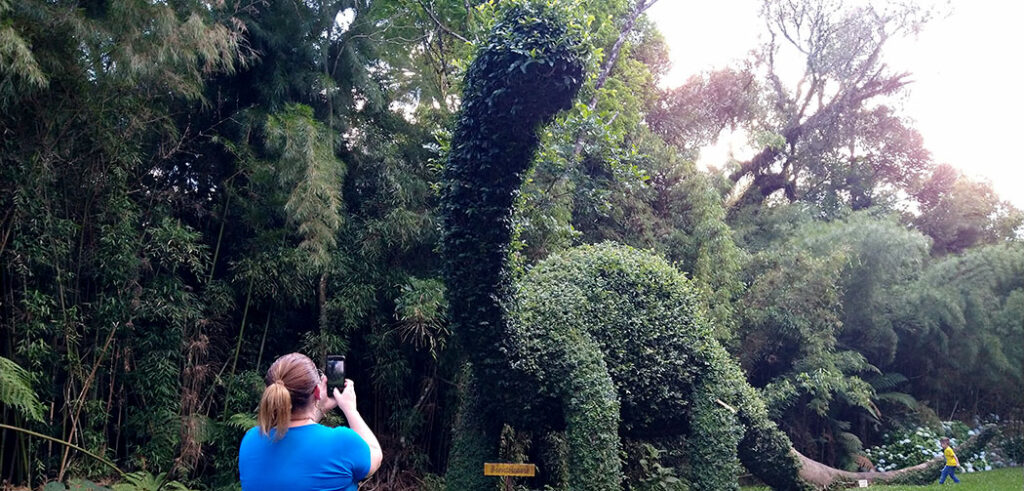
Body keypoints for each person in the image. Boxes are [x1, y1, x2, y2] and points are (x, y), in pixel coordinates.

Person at [239, 353, 383, 490]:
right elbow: (375, 456)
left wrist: (319, 410)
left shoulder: (250, 440)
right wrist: (350, 410)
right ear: (317, 392)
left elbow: (299, 439)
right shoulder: (341, 442)